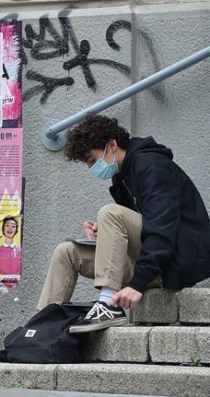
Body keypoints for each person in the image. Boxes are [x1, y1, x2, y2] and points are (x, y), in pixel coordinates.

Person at [38, 114, 210, 334]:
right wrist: (108, 233)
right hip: (149, 260)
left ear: (111, 145)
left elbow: (162, 229)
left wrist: (137, 284)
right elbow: (142, 224)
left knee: (110, 213)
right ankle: (41, 330)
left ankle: (108, 304)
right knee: (66, 252)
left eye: (92, 159)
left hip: (174, 261)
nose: (91, 168)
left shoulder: (152, 166)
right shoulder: (122, 176)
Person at [0, 216, 21, 289]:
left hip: (19, 286)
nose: (10, 228)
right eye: (7, 225)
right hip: (3, 287)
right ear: (3, 229)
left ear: (16, 230)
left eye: (13, 226)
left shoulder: (21, 250)